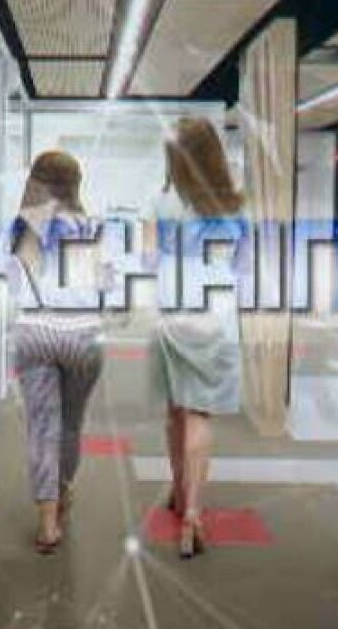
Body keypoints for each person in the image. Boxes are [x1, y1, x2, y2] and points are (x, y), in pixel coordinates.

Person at [142, 116, 246, 558]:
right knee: (200, 414)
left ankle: (179, 491)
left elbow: (148, 261)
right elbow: (243, 263)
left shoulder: (161, 201)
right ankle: (193, 517)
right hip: (217, 316)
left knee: (175, 411)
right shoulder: (236, 204)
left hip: (173, 313)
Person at [11, 150, 105, 554]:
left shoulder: (25, 224)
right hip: (82, 335)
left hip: (35, 332)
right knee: (69, 425)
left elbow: (15, 279)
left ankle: (48, 524)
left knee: (42, 427)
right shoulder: (92, 226)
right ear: (75, 185)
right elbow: (106, 284)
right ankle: (63, 489)